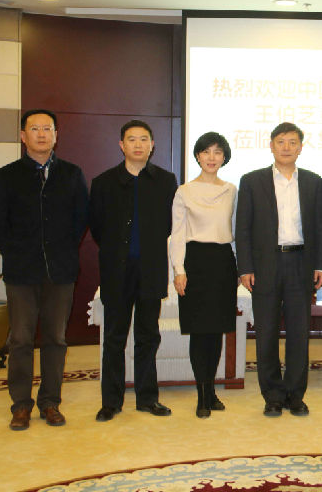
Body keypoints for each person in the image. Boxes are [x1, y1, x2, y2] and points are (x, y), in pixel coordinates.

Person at [0, 109, 88, 431]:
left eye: (48, 128)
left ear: (56, 135)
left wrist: (62, 250)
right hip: (21, 271)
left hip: (60, 270)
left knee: (56, 338)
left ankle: (50, 402)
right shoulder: (6, 176)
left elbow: (80, 219)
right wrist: (16, 252)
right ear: (23, 136)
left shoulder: (71, 174)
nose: (42, 134)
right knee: (20, 338)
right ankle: (20, 405)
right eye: (35, 129)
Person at [235, 122, 322, 417]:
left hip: (301, 263)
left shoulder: (313, 181)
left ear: (301, 147)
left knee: (299, 334)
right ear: (271, 145)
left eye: (292, 142)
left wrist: (320, 264)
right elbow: (243, 228)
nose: (286, 147)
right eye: (281, 142)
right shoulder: (252, 181)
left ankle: (295, 395)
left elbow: (320, 227)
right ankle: (273, 395)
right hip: (265, 265)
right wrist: (245, 267)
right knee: (267, 333)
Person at [89, 120, 178, 421]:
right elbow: (97, 226)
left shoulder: (166, 181)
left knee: (148, 336)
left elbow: (170, 224)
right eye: (131, 139)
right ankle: (111, 402)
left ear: (152, 145)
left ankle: (147, 398)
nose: (138, 144)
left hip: (151, 269)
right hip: (116, 271)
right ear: (121, 145)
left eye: (143, 139)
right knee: (114, 337)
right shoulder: (104, 182)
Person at [168, 132, 238, 418]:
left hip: (222, 262)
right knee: (199, 331)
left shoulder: (231, 190)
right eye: (206, 151)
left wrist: (241, 268)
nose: (212, 157)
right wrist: (179, 270)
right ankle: (201, 394)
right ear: (197, 155)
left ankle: (211, 392)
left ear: (224, 157)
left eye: (217, 152)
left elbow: (235, 231)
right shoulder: (184, 191)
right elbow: (177, 234)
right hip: (195, 262)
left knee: (217, 329)